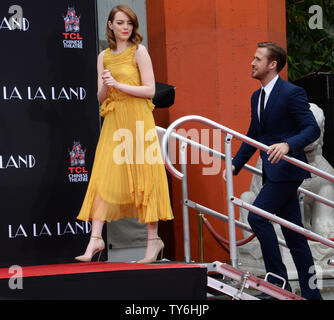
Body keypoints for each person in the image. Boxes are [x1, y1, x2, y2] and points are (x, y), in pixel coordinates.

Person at [223, 42, 322, 300]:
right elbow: (254, 134)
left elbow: (312, 129)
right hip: (272, 172)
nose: (252, 63)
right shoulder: (257, 97)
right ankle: (312, 294)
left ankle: (278, 282)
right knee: (295, 236)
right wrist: (235, 163)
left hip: (287, 171)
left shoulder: (292, 93)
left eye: (257, 59)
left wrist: (289, 145)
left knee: (256, 217)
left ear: (272, 64)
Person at [75, 5, 173, 263]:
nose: (125, 27)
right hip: (114, 120)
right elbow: (99, 97)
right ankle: (95, 238)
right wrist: (107, 87)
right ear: (110, 25)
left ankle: (153, 242)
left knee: (146, 177)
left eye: (129, 22)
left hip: (138, 118)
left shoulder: (139, 51)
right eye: (120, 22)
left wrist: (118, 84)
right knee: (103, 176)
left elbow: (151, 90)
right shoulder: (103, 56)